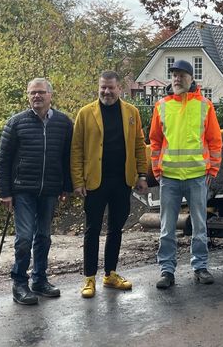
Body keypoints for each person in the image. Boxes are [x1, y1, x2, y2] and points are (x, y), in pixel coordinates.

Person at [71, 71, 149, 298]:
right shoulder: (85, 114)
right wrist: (78, 181)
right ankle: (89, 278)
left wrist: (142, 175)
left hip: (122, 181)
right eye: (102, 88)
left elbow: (138, 145)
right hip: (95, 182)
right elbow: (76, 150)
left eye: (110, 88)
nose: (106, 92)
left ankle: (110, 274)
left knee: (116, 229)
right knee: (92, 229)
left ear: (119, 89)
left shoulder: (132, 113)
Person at [0, 78, 73, 305]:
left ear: (50, 94)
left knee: (43, 236)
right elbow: (3, 159)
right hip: (23, 190)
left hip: (50, 189)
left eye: (40, 92)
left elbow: (68, 157)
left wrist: (66, 186)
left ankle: (39, 279)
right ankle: (19, 283)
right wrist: (5, 192)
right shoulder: (16, 123)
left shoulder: (63, 123)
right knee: (24, 238)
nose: (36, 96)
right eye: (32, 93)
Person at [149, 60, 223, 289]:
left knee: (200, 226)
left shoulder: (204, 105)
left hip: (197, 177)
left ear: (192, 79)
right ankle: (167, 271)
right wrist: (156, 169)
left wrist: (212, 169)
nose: (177, 79)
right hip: (169, 177)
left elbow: (214, 141)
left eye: (182, 75)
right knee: (166, 228)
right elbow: (155, 141)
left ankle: (200, 267)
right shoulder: (161, 106)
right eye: (174, 75)